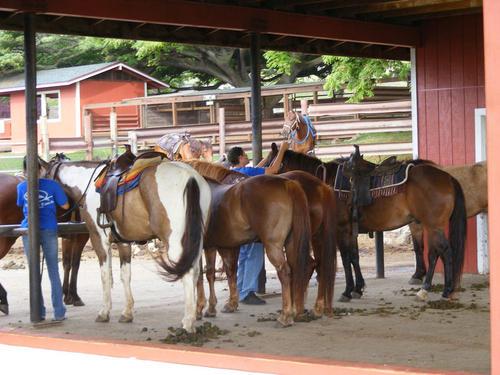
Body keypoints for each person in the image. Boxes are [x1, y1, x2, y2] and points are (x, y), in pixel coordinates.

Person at [226, 141, 289, 305]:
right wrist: (282, 150)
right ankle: (248, 291)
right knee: (255, 255)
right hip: (251, 220)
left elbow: (256, 169)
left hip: (235, 223)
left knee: (244, 257)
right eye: (245, 156)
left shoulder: (232, 173)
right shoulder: (248, 171)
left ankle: (240, 290)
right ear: (240, 158)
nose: (247, 157)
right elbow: (273, 171)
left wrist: (268, 158)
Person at [17, 156, 69, 321]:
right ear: (41, 169)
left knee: (34, 272)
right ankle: (59, 312)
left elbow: (20, 204)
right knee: (53, 270)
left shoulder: (21, 187)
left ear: (25, 170)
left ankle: (38, 311)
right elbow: (66, 206)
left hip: (29, 231)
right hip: (49, 229)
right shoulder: (53, 185)